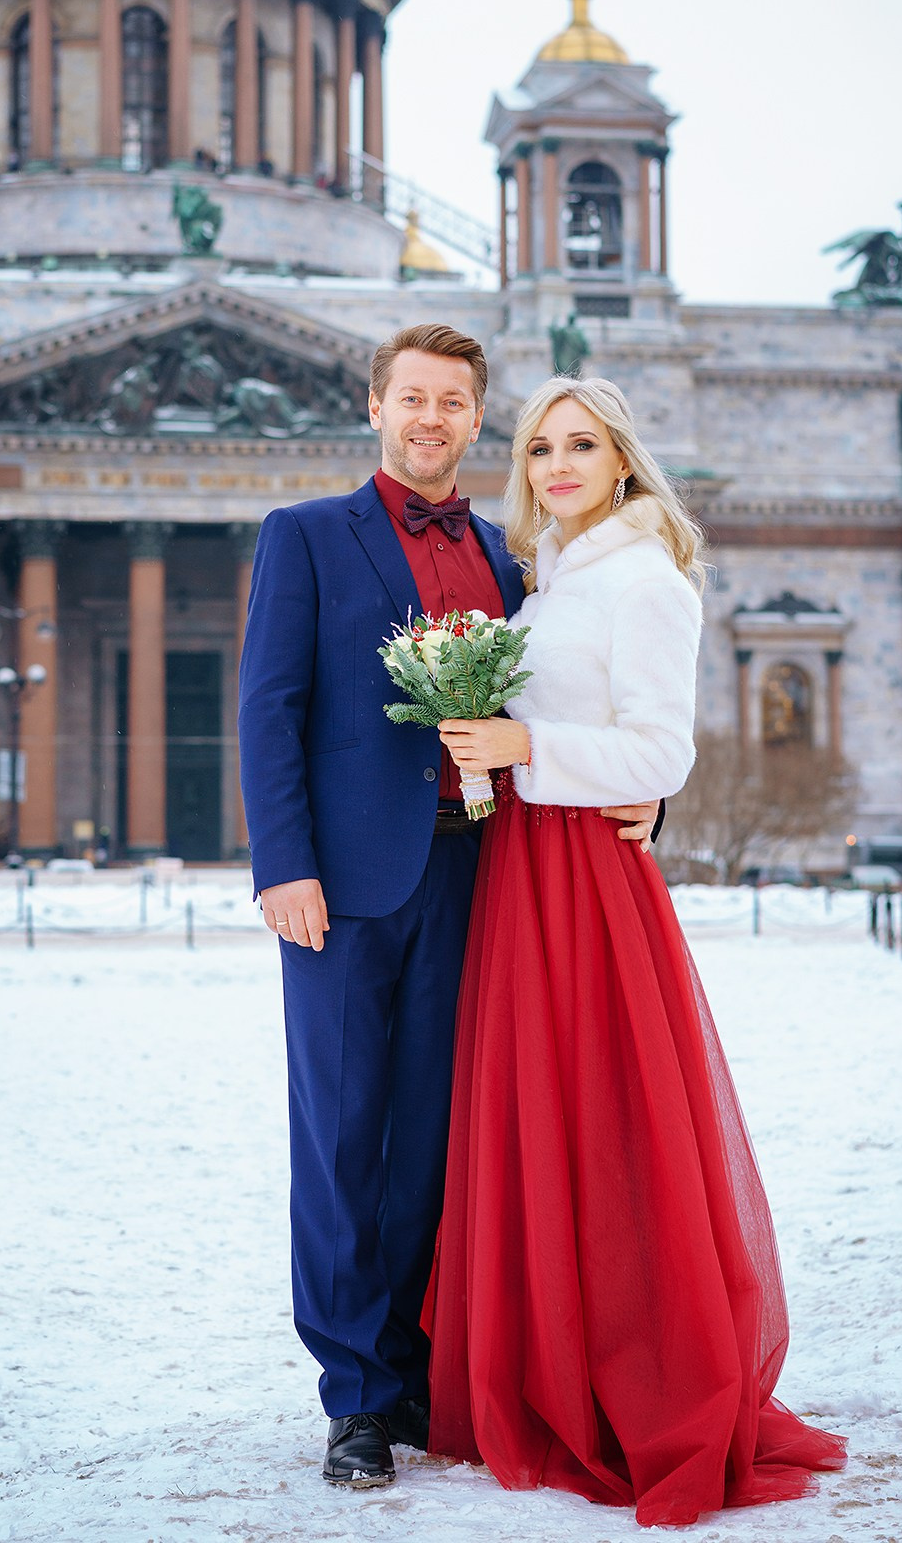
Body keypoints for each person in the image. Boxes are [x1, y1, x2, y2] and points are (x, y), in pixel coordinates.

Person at [237, 328, 659, 1489]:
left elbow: (581, 694)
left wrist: (646, 793)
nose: (431, 418)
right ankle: (357, 1397)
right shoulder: (308, 537)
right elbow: (268, 709)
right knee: (340, 1140)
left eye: (454, 403)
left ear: (477, 421)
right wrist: (284, 866)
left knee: (439, 1139)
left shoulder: (513, 559)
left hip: (483, 882)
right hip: (343, 892)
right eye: (411, 397)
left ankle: (424, 1365)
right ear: (375, 406)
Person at [425, 376, 847, 1526]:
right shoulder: (552, 580)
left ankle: (628, 1377)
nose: (558, 464)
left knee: (606, 1123)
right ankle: (541, 1367)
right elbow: (555, 732)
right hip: (525, 870)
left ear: (622, 463)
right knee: (535, 1115)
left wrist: (523, 744)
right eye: (541, 447)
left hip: (585, 888)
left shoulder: (647, 579)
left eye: (583, 445)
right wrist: (484, 757)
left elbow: (660, 753)